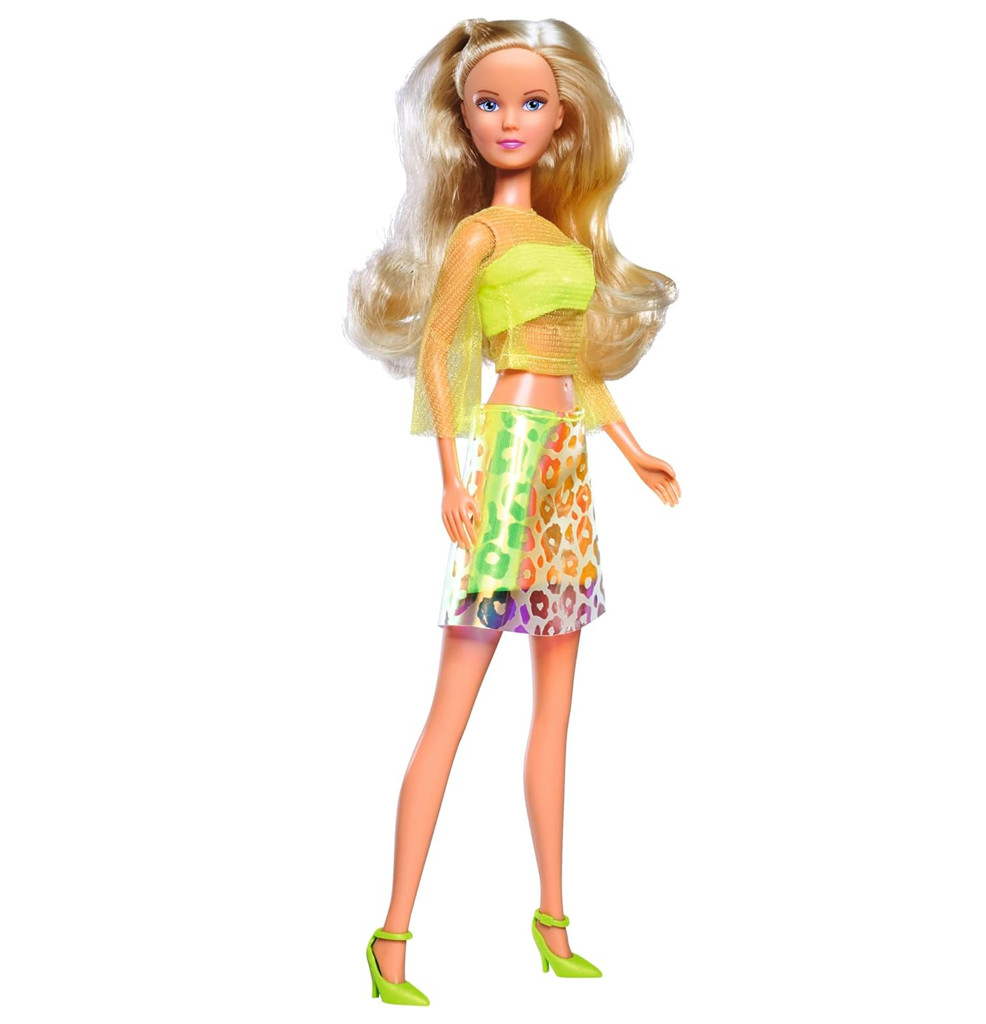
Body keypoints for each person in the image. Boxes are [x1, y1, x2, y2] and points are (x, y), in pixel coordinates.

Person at [345, 17, 680, 1005]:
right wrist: (452, 476)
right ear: (461, 118)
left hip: (566, 465)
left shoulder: (562, 238)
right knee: (452, 706)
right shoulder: (479, 234)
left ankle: (554, 921)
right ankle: (391, 935)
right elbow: (440, 348)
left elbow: (576, 363)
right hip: (506, 461)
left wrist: (630, 447)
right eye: (488, 103)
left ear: (562, 115)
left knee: (556, 710)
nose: (508, 120)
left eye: (530, 102)